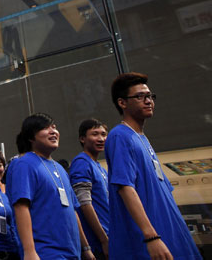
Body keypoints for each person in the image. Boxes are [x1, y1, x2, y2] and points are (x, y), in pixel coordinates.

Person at [106, 73, 202, 259]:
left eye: (150, 96)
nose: (148, 101)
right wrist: (151, 237)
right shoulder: (120, 136)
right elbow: (125, 187)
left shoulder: (142, 138)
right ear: (122, 103)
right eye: (140, 96)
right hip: (149, 241)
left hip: (171, 235)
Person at [11, 113, 94, 260]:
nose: (53, 131)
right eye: (45, 128)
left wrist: (86, 248)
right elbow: (21, 207)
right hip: (45, 252)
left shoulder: (60, 168)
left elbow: (73, 211)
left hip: (73, 252)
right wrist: (29, 252)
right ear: (31, 137)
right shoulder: (24, 164)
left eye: (54, 127)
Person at [70, 119, 110, 260]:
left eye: (104, 134)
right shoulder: (81, 162)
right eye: (95, 134)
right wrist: (104, 240)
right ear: (82, 139)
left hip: (110, 236)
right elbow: (84, 203)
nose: (101, 139)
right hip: (97, 243)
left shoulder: (100, 167)